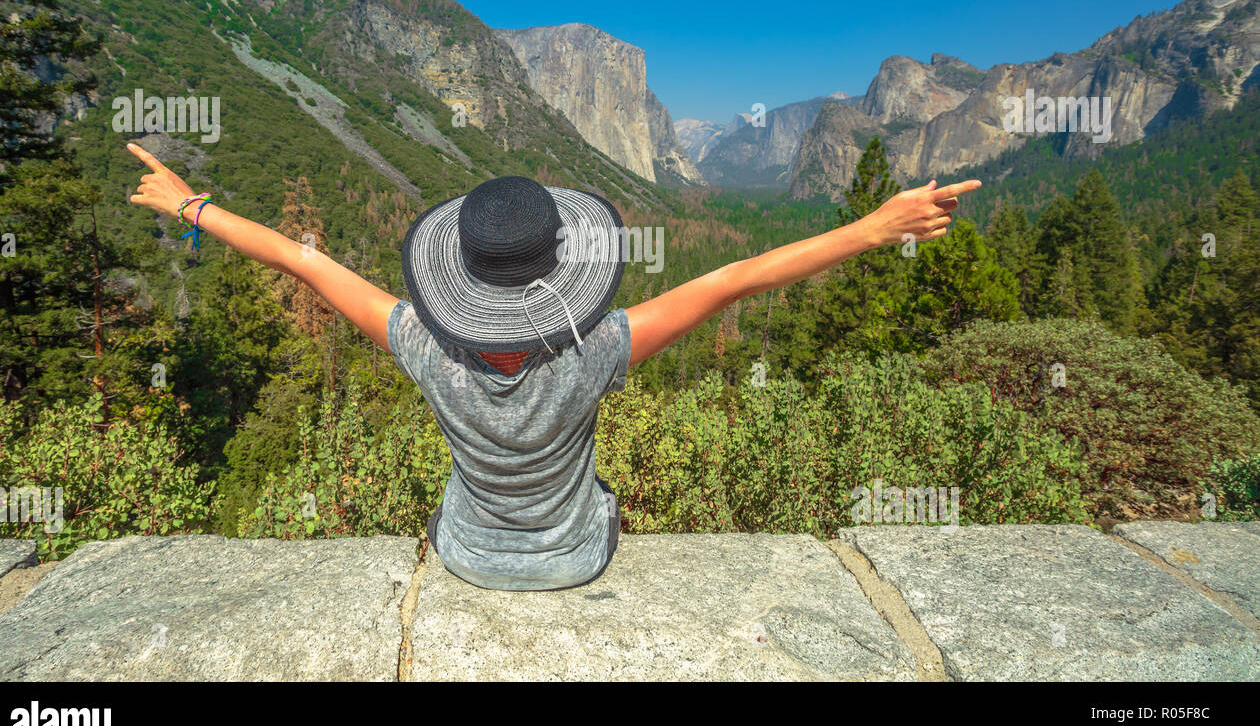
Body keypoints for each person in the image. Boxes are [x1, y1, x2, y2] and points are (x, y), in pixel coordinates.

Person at [126, 141, 979, 590]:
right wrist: (874, 229)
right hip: (577, 562)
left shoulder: (423, 347)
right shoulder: (597, 350)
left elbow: (302, 261)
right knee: (609, 500)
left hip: (463, 556)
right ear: (558, 271)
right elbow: (730, 282)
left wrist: (190, 205)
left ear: (456, 277)